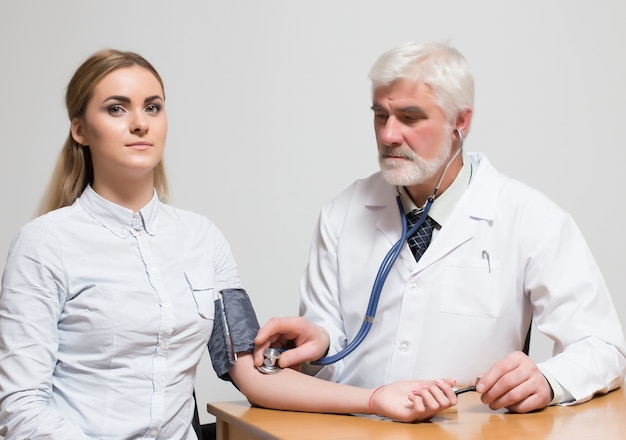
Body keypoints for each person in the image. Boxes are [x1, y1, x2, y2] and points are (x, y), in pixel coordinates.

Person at [0, 49, 460, 440]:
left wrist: (377, 398)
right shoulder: (44, 245)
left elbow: (253, 374)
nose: (139, 123)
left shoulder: (203, 240)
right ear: (80, 129)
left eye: (153, 107)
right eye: (116, 109)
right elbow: (19, 407)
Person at [254, 40, 626, 416]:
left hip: (469, 430)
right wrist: (320, 340)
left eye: (410, 118)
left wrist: (547, 380)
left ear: (459, 122)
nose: (388, 135)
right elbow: (330, 348)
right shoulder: (341, 214)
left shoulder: (530, 218)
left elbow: (603, 346)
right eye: (380, 115)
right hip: (355, 427)